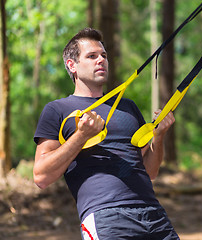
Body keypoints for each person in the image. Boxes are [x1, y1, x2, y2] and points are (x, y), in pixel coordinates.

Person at [33, 28, 180, 240]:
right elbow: (41, 176)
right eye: (91, 56)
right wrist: (81, 136)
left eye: (104, 55)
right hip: (104, 216)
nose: (100, 60)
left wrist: (159, 136)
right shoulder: (57, 110)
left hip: (153, 213)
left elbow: (150, 171)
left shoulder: (127, 107)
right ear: (72, 65)